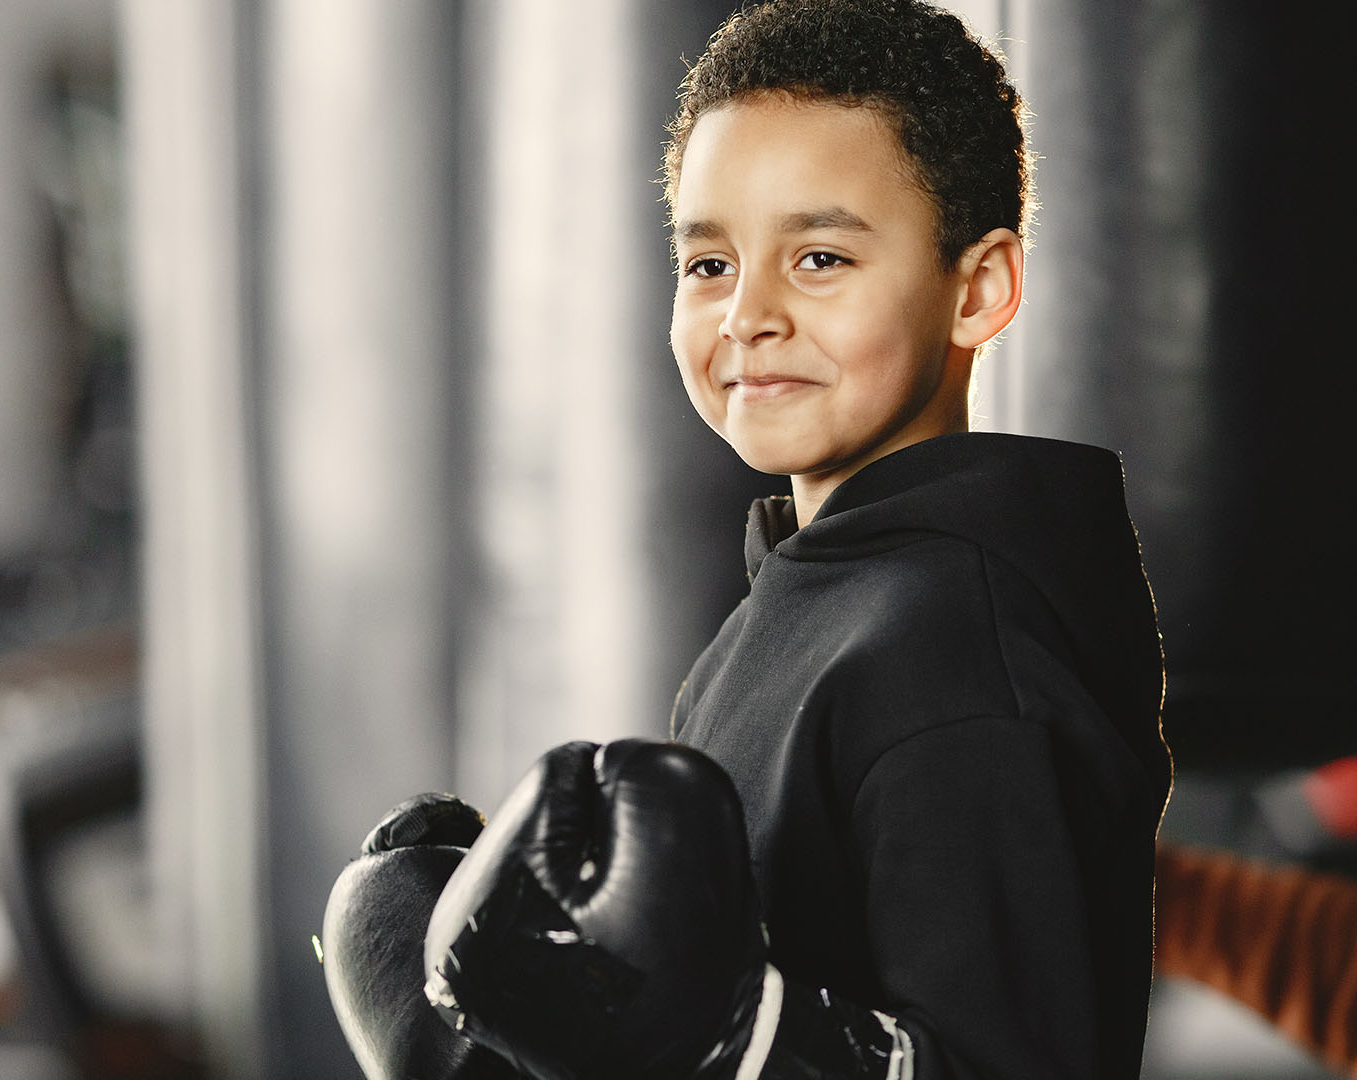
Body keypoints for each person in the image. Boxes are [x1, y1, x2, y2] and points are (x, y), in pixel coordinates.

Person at [410, 1, 1173, 1078]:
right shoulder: (806, 593)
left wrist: (735, 1040)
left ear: (980, 288)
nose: (747, 315)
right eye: (710, 264)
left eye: (819, 258)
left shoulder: (958, 655)